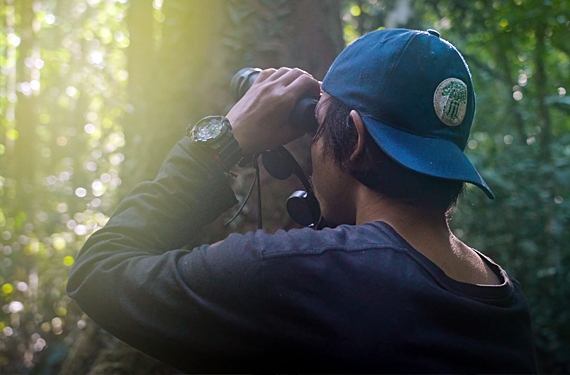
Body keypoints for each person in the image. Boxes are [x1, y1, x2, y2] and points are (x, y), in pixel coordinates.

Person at [67, 29, 537, 373]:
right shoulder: (502, 299)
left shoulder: (305, 276)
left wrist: (221, 142)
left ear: (352, 140)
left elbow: (99, 272)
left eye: (317, 123)